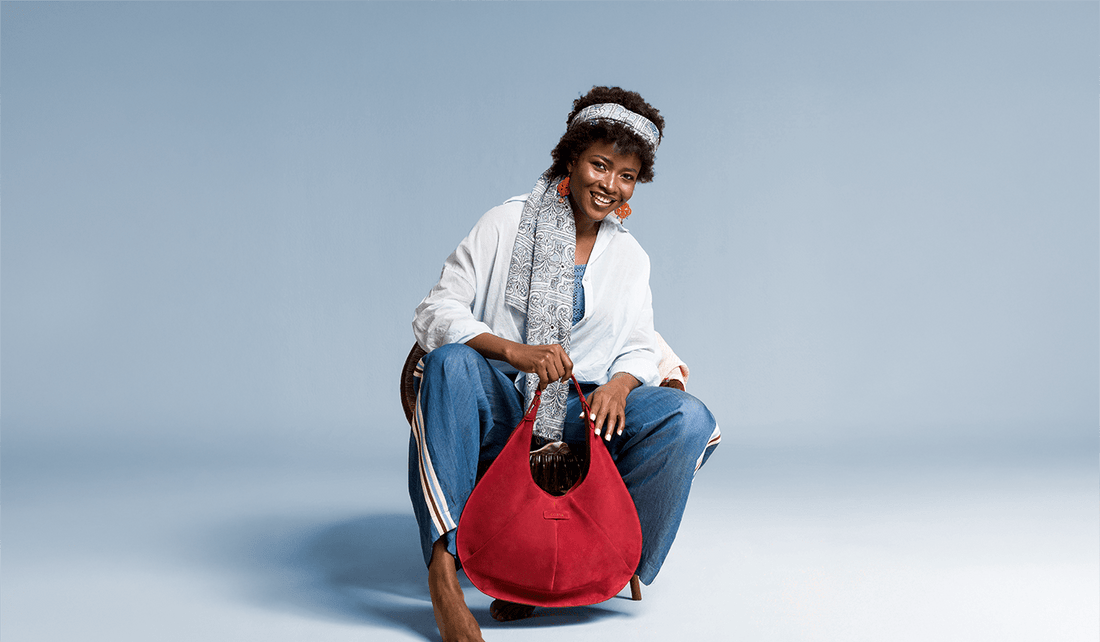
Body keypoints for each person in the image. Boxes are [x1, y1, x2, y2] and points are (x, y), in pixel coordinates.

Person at [408, 86, 720, 642]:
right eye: (600, 165)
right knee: (450, 365)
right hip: (508, 406)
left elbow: (640, 343)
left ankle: (590, 563)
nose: (610, 185)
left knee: (688, 419)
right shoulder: (506, 224)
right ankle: (444, 571)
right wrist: (513, 351)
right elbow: (436, 310)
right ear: (571, 160)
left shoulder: (629, 256)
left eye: (626, 174)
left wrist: (621, 385)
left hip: (582, 415)